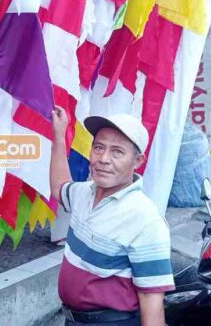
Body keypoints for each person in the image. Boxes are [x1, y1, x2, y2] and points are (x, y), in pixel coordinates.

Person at [50, 107, 174, 326]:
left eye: (117, 151)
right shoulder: (83, 193)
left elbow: (151, 301)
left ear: (138, 161)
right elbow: (59, 186)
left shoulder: (146, 221)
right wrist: (59, 137)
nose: (103, 159)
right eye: (98, 147)